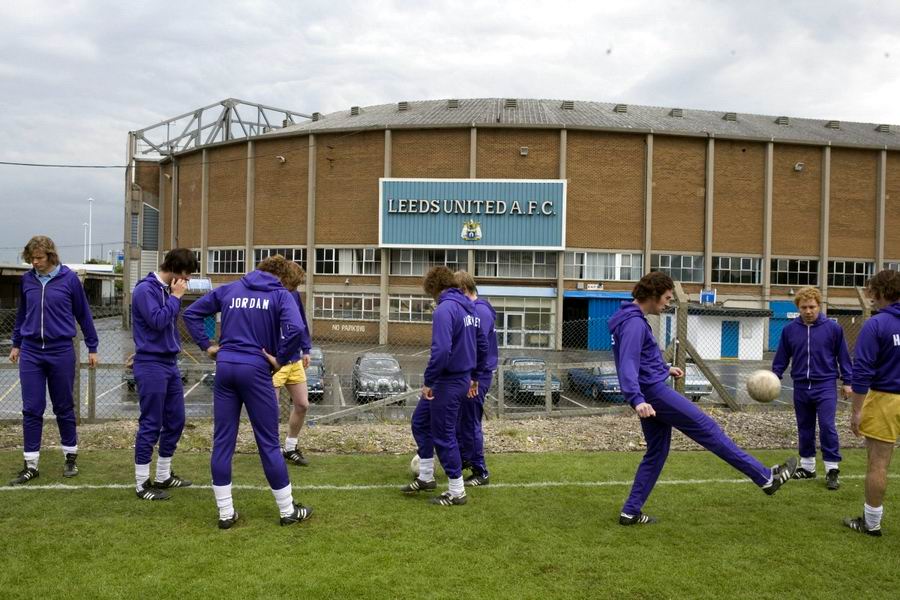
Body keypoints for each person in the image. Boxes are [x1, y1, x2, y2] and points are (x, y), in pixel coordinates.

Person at [609, 271, 798, 525]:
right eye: (667, 298)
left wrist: (664, 368)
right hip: (653, 394)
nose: (668, 303)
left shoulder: (631, 319)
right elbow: (628, 363)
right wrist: (637, 399)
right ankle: (765, 478)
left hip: (650, 390)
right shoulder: (634, 323)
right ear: (653, 294)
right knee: (708, 428)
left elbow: (640, 358)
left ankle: (630, 512)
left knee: (656, 452)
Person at [183, 255, 312, 528]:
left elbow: (191, 312)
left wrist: (207, 345)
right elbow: (296, 328)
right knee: (268, 442)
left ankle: (225, 513)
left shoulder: (230, 288)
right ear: (282, 276)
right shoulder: (280, 294)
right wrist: (280, 359)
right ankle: (288, 511)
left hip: (225, 368)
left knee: (223, 441)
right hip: (255, 369)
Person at [8, 236, 98, 485]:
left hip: (61, 351)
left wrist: (92, 346)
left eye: (39, 258)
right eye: (31, 259)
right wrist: (16, 343)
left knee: (63, 406)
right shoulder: (27, 280)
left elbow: (83, 314)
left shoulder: (69, 280)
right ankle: (31, 464)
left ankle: (70, 457)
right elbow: (23, 314)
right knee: (31, 408)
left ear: (50, 256)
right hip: (31, 352)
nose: (35, 263)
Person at [403, 266, 487, 506]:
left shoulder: (445, 309)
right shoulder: (469, 308)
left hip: (447, 381)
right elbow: (482, 344)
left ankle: (456, 491)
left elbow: (440, 351)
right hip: (459, 378)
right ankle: (426, 476)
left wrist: (429, 381)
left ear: (433, 288)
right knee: (420, 422)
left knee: (444, 434)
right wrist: (475, 376)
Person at [129, 248, 199, 501]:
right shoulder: (145, 290)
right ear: (175, 270)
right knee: (151, 423)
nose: (187, 280)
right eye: (186, 274)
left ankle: (163, 475)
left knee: (176, 420)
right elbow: (157, 321)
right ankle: (141, 483)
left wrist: (173, 297)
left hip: (169, 363)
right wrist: (176, 297)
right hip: (151, 365)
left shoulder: (166, 291)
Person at [772, 286, 852, 490]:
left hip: (825, 385)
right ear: (798, 308)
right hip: (800, 386)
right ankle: (808, 468)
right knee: (805, 427)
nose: (808, 311)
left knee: (827, 426)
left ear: (819, 306)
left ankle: (832, 469)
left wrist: (847, 381)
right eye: (804, 307)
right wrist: (774, 377)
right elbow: (781, 357)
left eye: (812, 307)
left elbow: (843, 356)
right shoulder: (789, 330)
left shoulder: (833, 329)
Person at [844, 269, 900, 537]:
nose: (871, 298)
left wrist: (857, 411)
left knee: (878, 463)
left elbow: (862, 371)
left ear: (880, 292)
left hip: (885, 398)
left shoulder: (876, 324)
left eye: (872, 293)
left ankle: (871, 523)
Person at [454, 270, 497, 487]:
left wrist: (474, 378)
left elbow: (480, 347)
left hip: (477, 377)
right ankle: (465, 460)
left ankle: (481, 471)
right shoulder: (473, 310)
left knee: (470, 422)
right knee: (461, 420)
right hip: (470, 375)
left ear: (463, 290)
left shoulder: (480, 311)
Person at [273, 260, 312, 466]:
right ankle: (271, 450)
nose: (294, 289)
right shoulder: (269, 294)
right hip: (274, 361)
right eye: (293, 284)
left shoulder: (293, 294)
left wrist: (306, 349)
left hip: (294, 359)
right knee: (271, 410)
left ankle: (290, 447)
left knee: (302, 404)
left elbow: (300, 323)